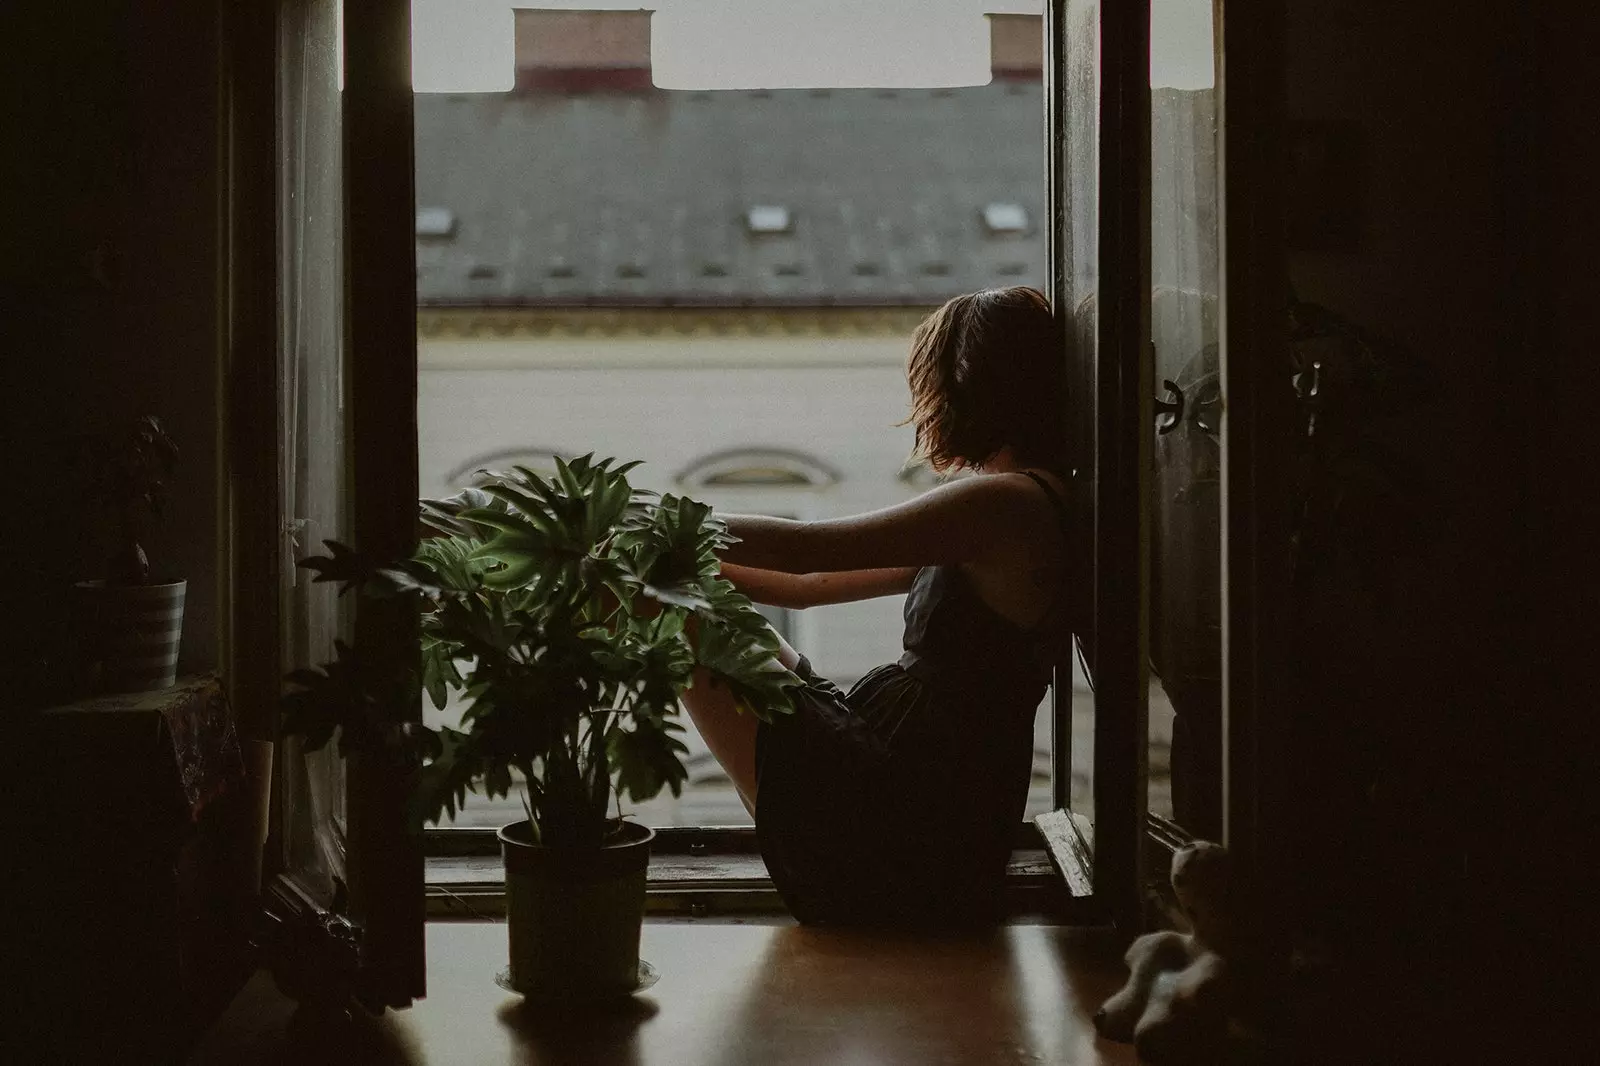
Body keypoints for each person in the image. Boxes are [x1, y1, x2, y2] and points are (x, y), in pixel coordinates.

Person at [679, 285, 1078, 927]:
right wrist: (683, 568)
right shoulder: (1020, 505)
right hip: (921, 789)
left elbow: (806, 550)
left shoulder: (1003, 505)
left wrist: (666, 526)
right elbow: (800, 586)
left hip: (907, 812)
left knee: (675, 617)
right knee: (689, 602)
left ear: (962, 388)